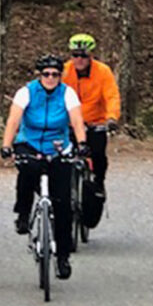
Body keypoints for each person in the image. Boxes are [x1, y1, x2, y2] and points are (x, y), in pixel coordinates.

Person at [1, 54, 89, 281]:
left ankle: (62, 258)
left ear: (60, 76)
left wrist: (81, 144)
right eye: (46, 74)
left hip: (58, 147)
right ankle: (22, 212)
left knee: (63, 206)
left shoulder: (67, 93)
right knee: (26, 171)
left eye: (55, 74)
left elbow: (77, 120)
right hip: (29, 143)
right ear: (39, 75)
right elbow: (13, 120)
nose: (51, 78)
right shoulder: (27, 92)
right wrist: (6, 145)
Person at [62, 33, 121, 193]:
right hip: (69, 123)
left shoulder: (103, 72)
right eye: (75, 55)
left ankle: (99, 182)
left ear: (91, 56)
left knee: (98, 155)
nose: (79, 60)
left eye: (83, 56)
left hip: (95, 122)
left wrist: (111, 118)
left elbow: (111, 96)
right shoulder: (64, 72)